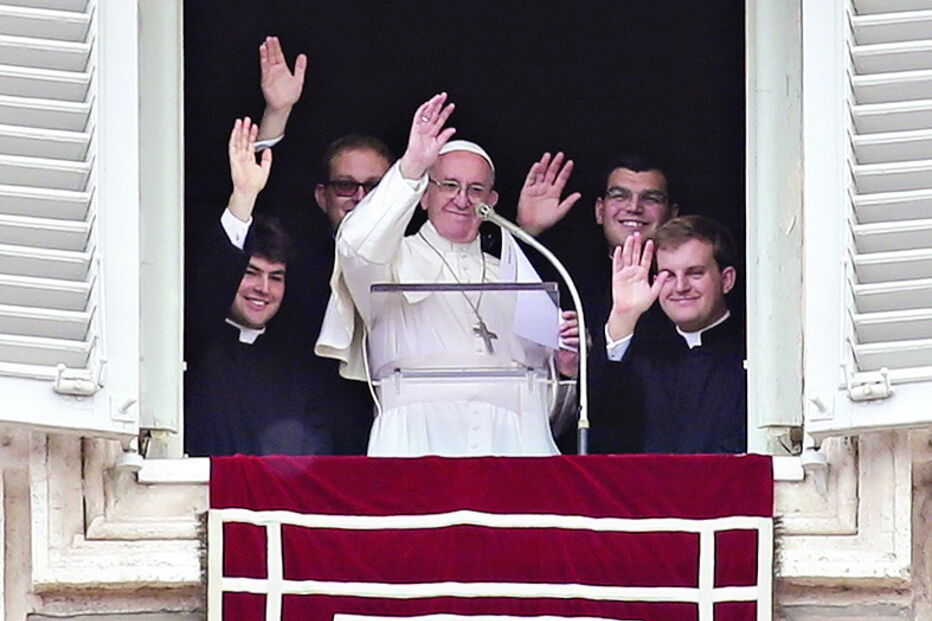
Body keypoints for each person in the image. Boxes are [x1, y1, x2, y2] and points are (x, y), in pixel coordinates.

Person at [315, 93, 579, 457]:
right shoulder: (388, 261)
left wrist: (564, 366)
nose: (462, 199)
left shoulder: (513, 273)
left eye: (476, 189)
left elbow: (546, 392)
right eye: (449, 185)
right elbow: (354, 245)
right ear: (424, 196)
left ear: (491, 200)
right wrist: (410, 167)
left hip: (512, 446)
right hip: (415, 441)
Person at [185, 119, 335, 456]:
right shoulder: (196, 342)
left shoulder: (299, 366)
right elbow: (213, 285)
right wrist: (244, 197)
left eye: (276, 276)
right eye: (251, 272)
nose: (263, 288)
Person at [604, 216, 746, 453]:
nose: (680, 287)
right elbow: (604, 430)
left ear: (726, 280)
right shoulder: (644, 353)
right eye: (668, 275)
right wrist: (623, 315)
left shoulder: (756, 350)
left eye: (695, 273)